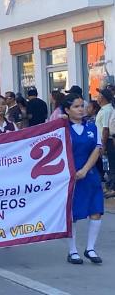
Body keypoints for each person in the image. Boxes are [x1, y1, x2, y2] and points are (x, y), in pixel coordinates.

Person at [62, 93, 104, 264]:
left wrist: (86, 169)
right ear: (67, 110)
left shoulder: (92, 127)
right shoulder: (62, 129)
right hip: (70, 176)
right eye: (76, 106)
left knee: (96, 211)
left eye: (82, 106)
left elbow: (98, 148)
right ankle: (72, 251)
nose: (81, 109)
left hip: (90, 174)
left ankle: (90, 248)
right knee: (73, 214)